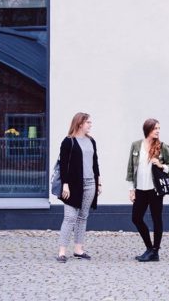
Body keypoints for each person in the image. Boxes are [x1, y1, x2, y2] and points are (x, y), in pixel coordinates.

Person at [126, 118, 169, 262]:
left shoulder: (162, 147)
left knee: (156, 219)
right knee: (136, 218)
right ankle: (149, 248)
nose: (158, 131)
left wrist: (161, 165)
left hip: (155, 190)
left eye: (159, 128)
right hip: (140, 189)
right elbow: (130, 169)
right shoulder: (136, 146)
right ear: (147, 129)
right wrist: (131, 189)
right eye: (155, 128)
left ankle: (155, 251)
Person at [56, 112, 101, 263]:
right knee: (69, 217)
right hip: (73, 184)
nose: (90, 125)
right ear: (80, 123)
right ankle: (62, 252)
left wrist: (98, 182)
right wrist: (65, 185)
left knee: (83, 217)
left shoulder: (91, 141)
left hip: (90, 184)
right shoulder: (68, 142)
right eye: (88, 122)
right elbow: (63, 166)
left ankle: (78, 250)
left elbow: (95, 162)